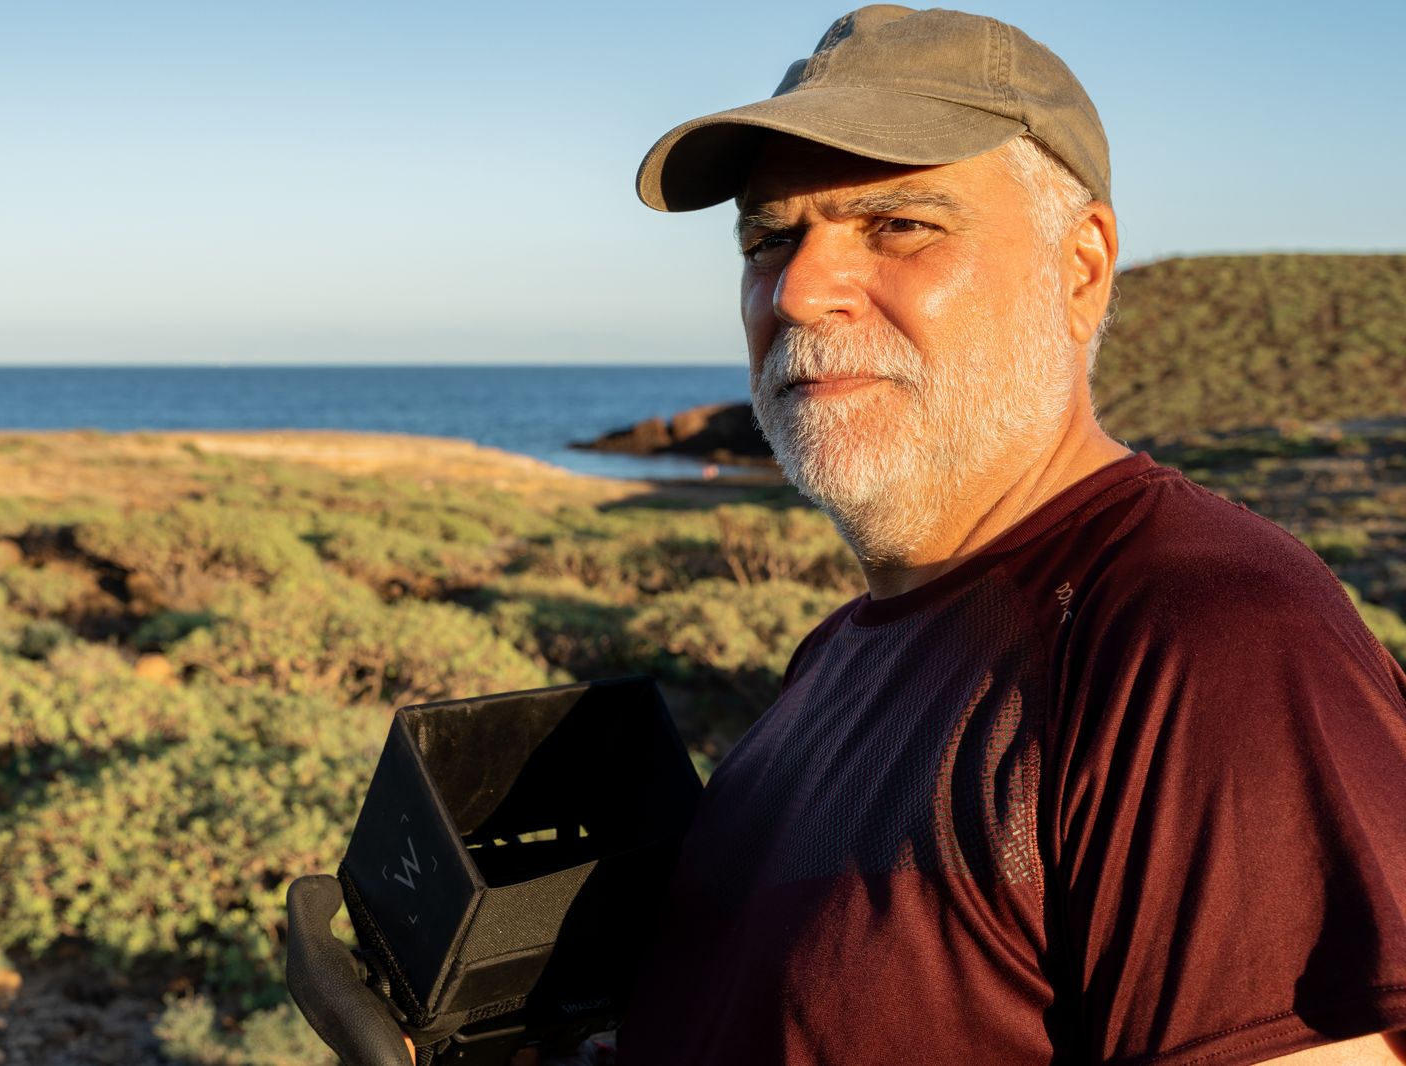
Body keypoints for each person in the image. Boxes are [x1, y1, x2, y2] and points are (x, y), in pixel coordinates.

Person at [287, 6, 1406, 1064]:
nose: (802, 287)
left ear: (1080, 268)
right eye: (769, 237)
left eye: (900, 223)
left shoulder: (1207, 646)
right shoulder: (837, 655)